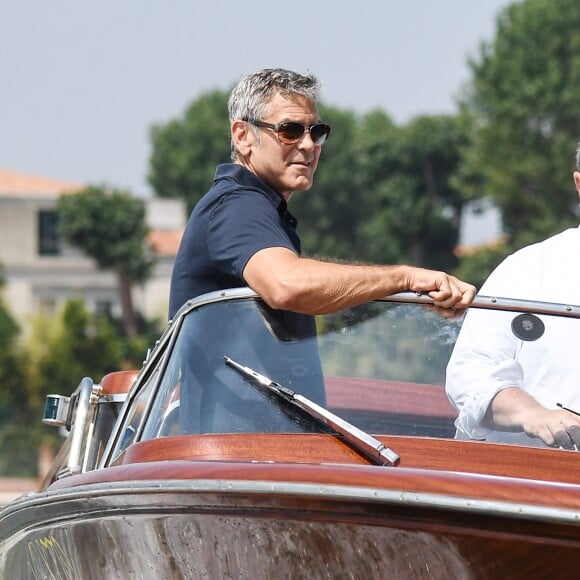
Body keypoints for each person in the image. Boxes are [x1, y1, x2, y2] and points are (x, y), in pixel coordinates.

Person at [169, 67, 475, 320]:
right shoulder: (236, 205)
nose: (308, 145)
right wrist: (405, 279)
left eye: (316, 132)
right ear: (243, 135)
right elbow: (286, 284)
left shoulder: (261, 208)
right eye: (290, 130)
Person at [446, 148, 580, 450]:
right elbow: (468, 372)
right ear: (579, 184)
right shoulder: (528, 270)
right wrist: (532, 414)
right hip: (535, 483)